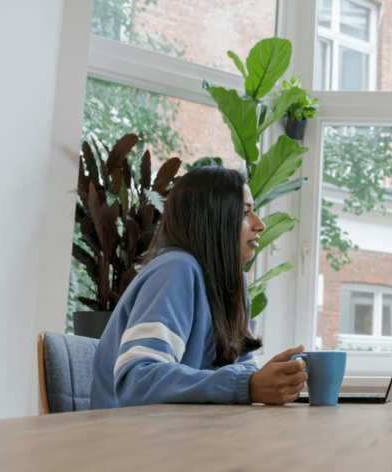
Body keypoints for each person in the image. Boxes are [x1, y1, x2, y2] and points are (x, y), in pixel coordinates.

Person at [90, 166, 308, 409]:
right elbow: (136, 380)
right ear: (213, 218)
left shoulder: (232, 281)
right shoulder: (176, 269)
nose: (260, 225)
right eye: (246, 213)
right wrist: (245, 385)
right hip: (124, 439)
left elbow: (241, 367)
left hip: (183, 433)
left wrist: (262, 380)